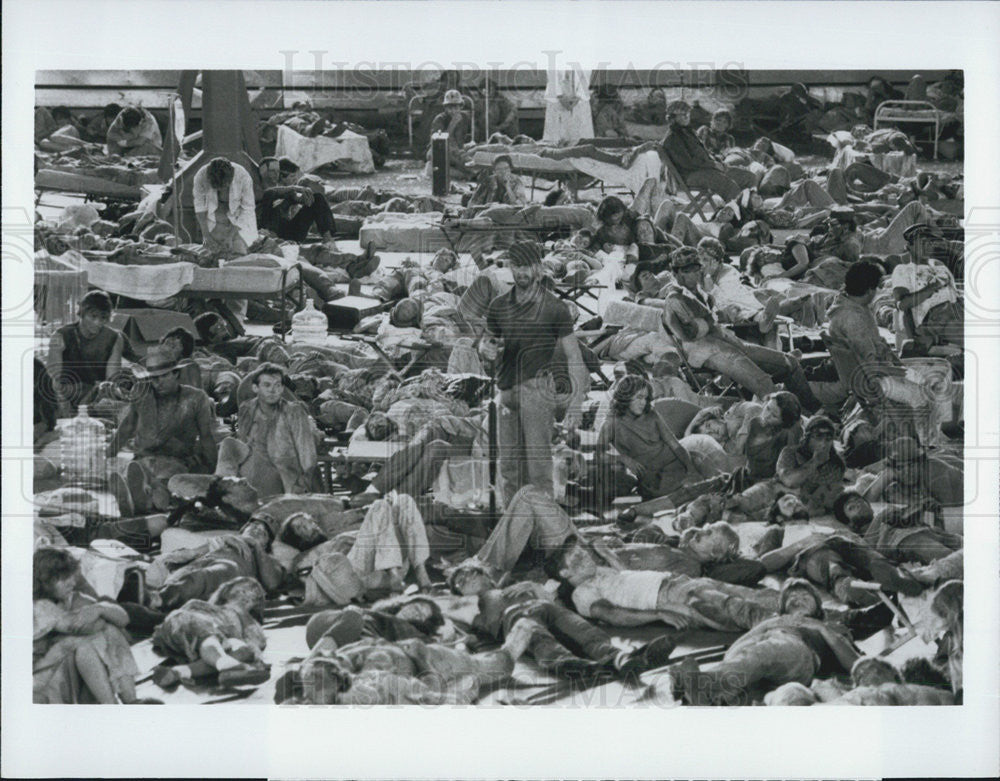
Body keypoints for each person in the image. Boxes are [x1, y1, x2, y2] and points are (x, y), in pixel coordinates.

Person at [482, 240, 589, 499]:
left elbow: (574, 355)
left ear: (539, 268)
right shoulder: (498, 305)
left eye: (528, 266)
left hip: (538, 390)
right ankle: (514, 530)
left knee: (538, 468)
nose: (522, 272)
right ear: (509, 266)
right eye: (516, 265)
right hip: (505, 391)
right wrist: (484, 348)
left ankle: (543, 530)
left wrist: (575, 403)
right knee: (508, 467)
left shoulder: (555, 308)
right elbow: (487, 341)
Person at [662, 247, 822, 413]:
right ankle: (796, 420)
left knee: (790, 363)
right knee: (764, 384)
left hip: (729, 342)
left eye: (697, 268)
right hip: (707, 351)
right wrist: (712, 319)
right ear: (676, 273)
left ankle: (815, 410)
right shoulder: (675, 299)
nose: (695, 273)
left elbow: (710, 320)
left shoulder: (699, 291)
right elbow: (691, 333)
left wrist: (724, 314)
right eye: (688, 270)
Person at [671, 577, 861, 706]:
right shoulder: (769, 620)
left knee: (765, 651)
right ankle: (702, 697)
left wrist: (820, 628)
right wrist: (768, 625)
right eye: (792, 597)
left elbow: (854, 664)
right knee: (742, 687)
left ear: (818, 606)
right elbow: (734, 652)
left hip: (798, 653)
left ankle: (701, 685)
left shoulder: (830, 626)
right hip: (758, 658)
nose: (798, 600)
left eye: (805, 597)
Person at [548, 536, 779, 632]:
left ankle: (807, 605)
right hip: (672, 598)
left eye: (584, 553)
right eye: (577, 558)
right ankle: (794, 624)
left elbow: (625, 574)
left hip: (680, 583)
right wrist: (659, 614)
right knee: (735, 609)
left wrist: (607, 554)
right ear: (565, 572)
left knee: (750, 595)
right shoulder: (582, 593)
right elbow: (612, 614)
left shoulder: (599, 572)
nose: (586, 557)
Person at [107, 346, 218, 515]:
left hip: (176, 460)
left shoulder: (196, 398)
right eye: (153, 379)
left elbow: (206, 436)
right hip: (142, 459)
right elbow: (128, 426)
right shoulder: (142, 393)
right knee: (135, 472)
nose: (158, 383)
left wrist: (214, 470)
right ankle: (139, 495)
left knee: (167, 483)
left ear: (176, 374)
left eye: (164, 376)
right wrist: (108, 453)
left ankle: (146, 499)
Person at [33, 547, 141, 703]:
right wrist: (100, 614)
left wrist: (99, 609)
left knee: (109, 629)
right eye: (64, 578)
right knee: (89, 640)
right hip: (42, 676)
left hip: (67, 672)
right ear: (45, 581)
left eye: (71, 576)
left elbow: (123, 618)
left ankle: (131, 701)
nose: (72, 582)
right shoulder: (39, 605)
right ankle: (112, 705)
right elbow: (83, 627)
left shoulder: (69, 597)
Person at [596, 375, 715, 500]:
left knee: (712, 477)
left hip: (679, 462)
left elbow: (674, 444)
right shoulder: (611, 424)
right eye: (639, 397)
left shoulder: (651, 414)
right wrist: (623, 458)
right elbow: (598, 455)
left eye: (646, 398)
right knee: (691, 492)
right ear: (625, 397)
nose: (643, 402)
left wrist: (691, 470)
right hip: (656, 476)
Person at [215, 363, 318, 499]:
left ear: (282, 388)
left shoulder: (294, 411)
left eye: (277, 385)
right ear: (255, 388)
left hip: (281, 474)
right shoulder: (247, 408)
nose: (272, 390)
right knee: (228, 444)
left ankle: (226, 495)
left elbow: (307, 457)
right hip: (252, 470)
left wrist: (300, 489)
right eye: (267, 385)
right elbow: (243, 439)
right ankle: (220, 494)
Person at [151, 576, 270, 689]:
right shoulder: (206, 607)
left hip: (199, 640)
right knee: (208, 633)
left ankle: (180, 671)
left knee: (243, 650)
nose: (244, 595)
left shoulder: (246, 620)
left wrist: (253, 654)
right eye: (242, 591)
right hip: (190, 622)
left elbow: (255, 644)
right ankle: (226, 664)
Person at [151, 516, 285, 611]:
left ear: (266, 544)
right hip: (199, 563)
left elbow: (272, 583)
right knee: (182, 575)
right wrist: (221, 540)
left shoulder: (267, 559)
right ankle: (153, 599)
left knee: (209, 575)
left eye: (263, 533)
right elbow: (190, 554)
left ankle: (159, 599)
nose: (257, 530)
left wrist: (256, 546)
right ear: (243, 529)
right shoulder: (225, 540)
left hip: (230, 570)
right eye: (254, 526)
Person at [46, 290, 125, 416]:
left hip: (95, 397)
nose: (98, 322)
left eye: (103, 317)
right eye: (93, 316)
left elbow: (111, 380)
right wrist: (62, 404)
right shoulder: (60, 335)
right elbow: (52, 379)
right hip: (65, 394)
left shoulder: (114, 338)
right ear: (82, 313)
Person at [658, 100, 756, 200]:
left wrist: (718, 162)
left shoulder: (688, 132)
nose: (687, 116)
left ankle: (750, 208)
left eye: (687, 114)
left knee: (749, 177)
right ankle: (736, 213)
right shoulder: (673, 138)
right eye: (683, 114)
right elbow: (688, 163)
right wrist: (713, 165)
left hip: (706, 169)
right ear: (673, 118)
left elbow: (704, 153)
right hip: (690, 175)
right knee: (728, 184)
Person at [891, 223, 963, 349]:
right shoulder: (903, 269)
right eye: (922, 242)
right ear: (909, 246)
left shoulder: (939, 265)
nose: (927, 246)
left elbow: (955, 296)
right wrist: (933, 287)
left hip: (953, 314)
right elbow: (903, 304)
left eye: (930, 242)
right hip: (931, 322)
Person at [775, 415, 846, 515]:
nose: (823, 443)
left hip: (815, 513)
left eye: (828, 438)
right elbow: (789, 481)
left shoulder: (836, 465)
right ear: (807, 438)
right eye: (818, 437)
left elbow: (830, 498)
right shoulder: (790, 453)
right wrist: (815, 462)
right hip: (783, 505)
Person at [192, 157, 257, 257]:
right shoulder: (200, 176)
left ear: (231, 179)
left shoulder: (243, 176)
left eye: (223, 187)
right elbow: (199, 207)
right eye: (217, 188)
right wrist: (206, 235)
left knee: (239, 251)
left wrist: (230, 236)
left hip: (239, 218)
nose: (221, 190)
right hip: (216, 217)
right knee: (211, 253)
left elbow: (247, 209)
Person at [257, 172, 338, 242]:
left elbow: (294, 197)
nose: (276, 174)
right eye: (272, 171)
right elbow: (269, 193)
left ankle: (328, 239)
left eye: (277, 171)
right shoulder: (258, 189)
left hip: (289, 233)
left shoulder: (287, 191)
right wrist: (295, 188)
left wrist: (300, 198)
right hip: (268, 232)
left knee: (318, 198)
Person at [426, 89, 472, 178]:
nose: (453, 111)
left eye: (456, 107)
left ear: (461, 107)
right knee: (464, 164)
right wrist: (453, 124)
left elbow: (460, 141)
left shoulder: (464, 118)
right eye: (450, 108)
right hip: (438, 150)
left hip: (456, 151)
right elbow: (439, 142)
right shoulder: (440, 119)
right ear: (445, 108)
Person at [158, 326, 202, 390]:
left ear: (183, 354)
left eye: (173, 347)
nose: (173, 340)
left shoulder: (186, 365)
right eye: (172, 336)